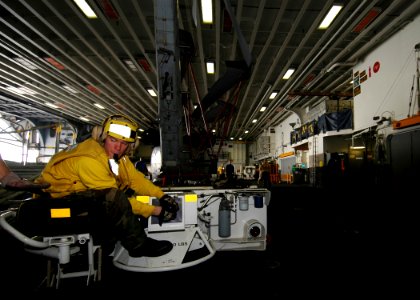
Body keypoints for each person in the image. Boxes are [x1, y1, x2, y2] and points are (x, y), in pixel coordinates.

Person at [34, 114, 179, 258]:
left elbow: (137, 180)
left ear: (130, 145)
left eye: (124, 143)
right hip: (54, 203)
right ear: (103, 137)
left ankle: (106, 242)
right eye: (113, 140)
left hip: (73, 198)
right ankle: (138, 246)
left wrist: (162, 195)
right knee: (114, 198)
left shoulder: (120, 159)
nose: (118, 147)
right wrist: (155, 211)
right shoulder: (89, 160)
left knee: (117, 196)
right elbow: (114, 199)